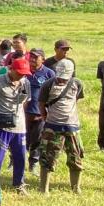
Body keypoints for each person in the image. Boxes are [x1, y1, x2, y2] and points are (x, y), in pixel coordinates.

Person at [0, 57, 33, 191]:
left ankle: (19, 184)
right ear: (11, 69)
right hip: (1, 126)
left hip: (19, 127)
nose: (22, 75)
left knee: (20, 157)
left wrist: (17, 114)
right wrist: (0, 111)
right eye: (20, 72)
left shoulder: (26, 83)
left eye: (25, 73)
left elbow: (26, 101)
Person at [38, 58, 85, 194]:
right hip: (52, 127)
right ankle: (44, 189)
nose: (61, 80)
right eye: (60, 77)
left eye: (65, 78)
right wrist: (45, 117)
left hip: (72, 127)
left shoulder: (77, 83)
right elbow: (41, 104)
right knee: (47, 158)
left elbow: (76, 100)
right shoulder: (47, 85)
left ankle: (76, 188)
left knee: (75, 157)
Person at [23, 48, 56, 172]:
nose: (32, 59)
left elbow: (54, 93)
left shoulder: (49, 73)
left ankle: (33, 163)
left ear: (43, 59)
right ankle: (15, 161)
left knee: (37, 140)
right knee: (21, 138)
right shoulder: (24, 70)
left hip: (40, 113)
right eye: (31, 56)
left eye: (36, 57)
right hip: (24, 113)